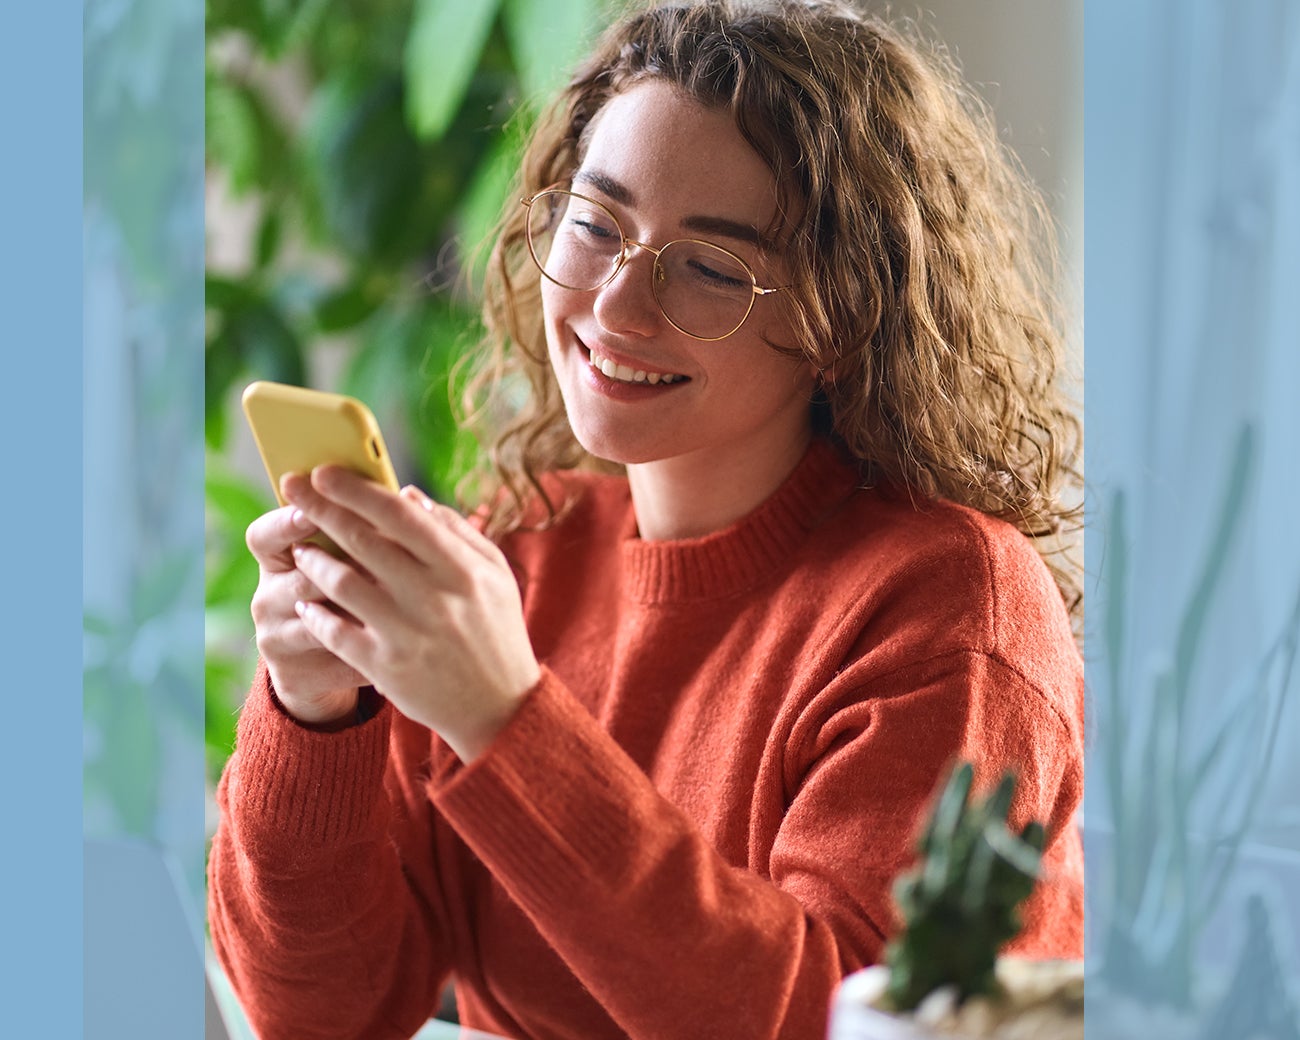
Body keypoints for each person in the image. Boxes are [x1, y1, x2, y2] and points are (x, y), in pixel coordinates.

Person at [208, 2, 1085, 1038]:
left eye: (709, 267)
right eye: (593, 224)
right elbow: (320, 1014)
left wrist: (506, 720)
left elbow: (843, 1021)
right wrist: (316, 711)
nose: (617, 308)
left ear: (841, 320)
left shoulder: (950, 610)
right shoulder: (519, 551)